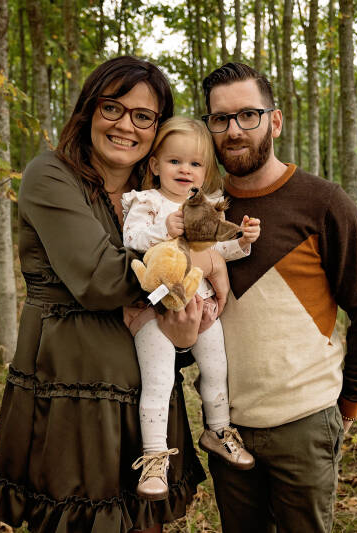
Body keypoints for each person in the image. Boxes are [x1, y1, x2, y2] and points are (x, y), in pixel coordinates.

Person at [0, 56, 210, 533]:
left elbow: (174, 299)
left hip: (147, 390)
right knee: (81, 517)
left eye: (143, 116)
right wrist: (197, 265)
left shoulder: (155, 191)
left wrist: (184, 332)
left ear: (157, 129)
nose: (126, 125)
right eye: (113, 108)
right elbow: (100, 278)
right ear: (89, 110)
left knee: (146, 522)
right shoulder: (50, 176)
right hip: (73, 386)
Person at [200, 62, 357, 533]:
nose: (233, 130)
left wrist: (348, 406)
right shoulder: (202, 209)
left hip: (304, 421)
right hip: (227, 426)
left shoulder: (323, 203)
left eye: (248, 115)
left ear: (275, 121)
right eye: (220, 119)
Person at [120, 117, 260, 501]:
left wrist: (243, 240)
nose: (185, 170)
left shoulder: (207, 207)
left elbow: (219, 251)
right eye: (175, 161)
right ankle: (153, 459)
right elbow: (130, 239)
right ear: (154, 165)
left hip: (200, 305)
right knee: (159, 381)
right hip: (155, 306)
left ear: (206, 171)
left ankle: (218, 430)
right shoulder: (146, 202)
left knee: (217, 369)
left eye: (195, 164)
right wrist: (165, 226)